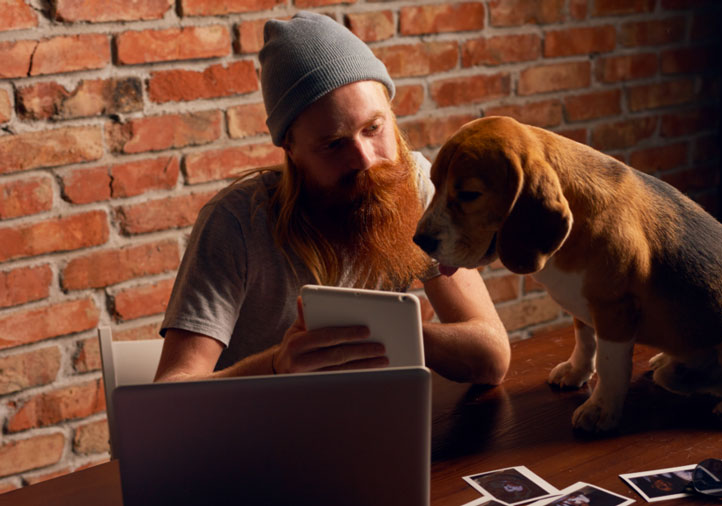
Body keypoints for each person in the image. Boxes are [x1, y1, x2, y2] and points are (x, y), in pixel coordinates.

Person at [154, 12, 510, 384]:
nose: (365, 159)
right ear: (291, 149)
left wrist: (399, 334)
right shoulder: (236, 222)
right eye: (334, 144)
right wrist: (277, 366)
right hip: (254, 436)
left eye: (373, 128)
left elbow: (491, 358)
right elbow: (170, 392)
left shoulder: (415, 185)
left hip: (374, 427)